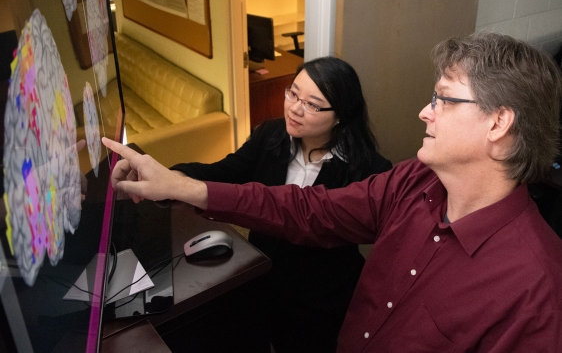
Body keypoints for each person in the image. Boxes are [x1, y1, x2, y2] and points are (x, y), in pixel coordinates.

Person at [102, 31, 562, 352]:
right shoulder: (411, 182)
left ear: (499, 122)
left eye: (443, 98)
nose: (425, 112)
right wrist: (185, 186)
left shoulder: (537, 289)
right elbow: (308, 210)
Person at [170, 56, 391, 352]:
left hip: (318, 302)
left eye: (312, 105)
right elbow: (226, 172)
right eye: (293, 93)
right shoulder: (270, 134)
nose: (295, 109)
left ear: (341, 116)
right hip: (260, 278)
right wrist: (173, 177)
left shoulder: (368, 171)